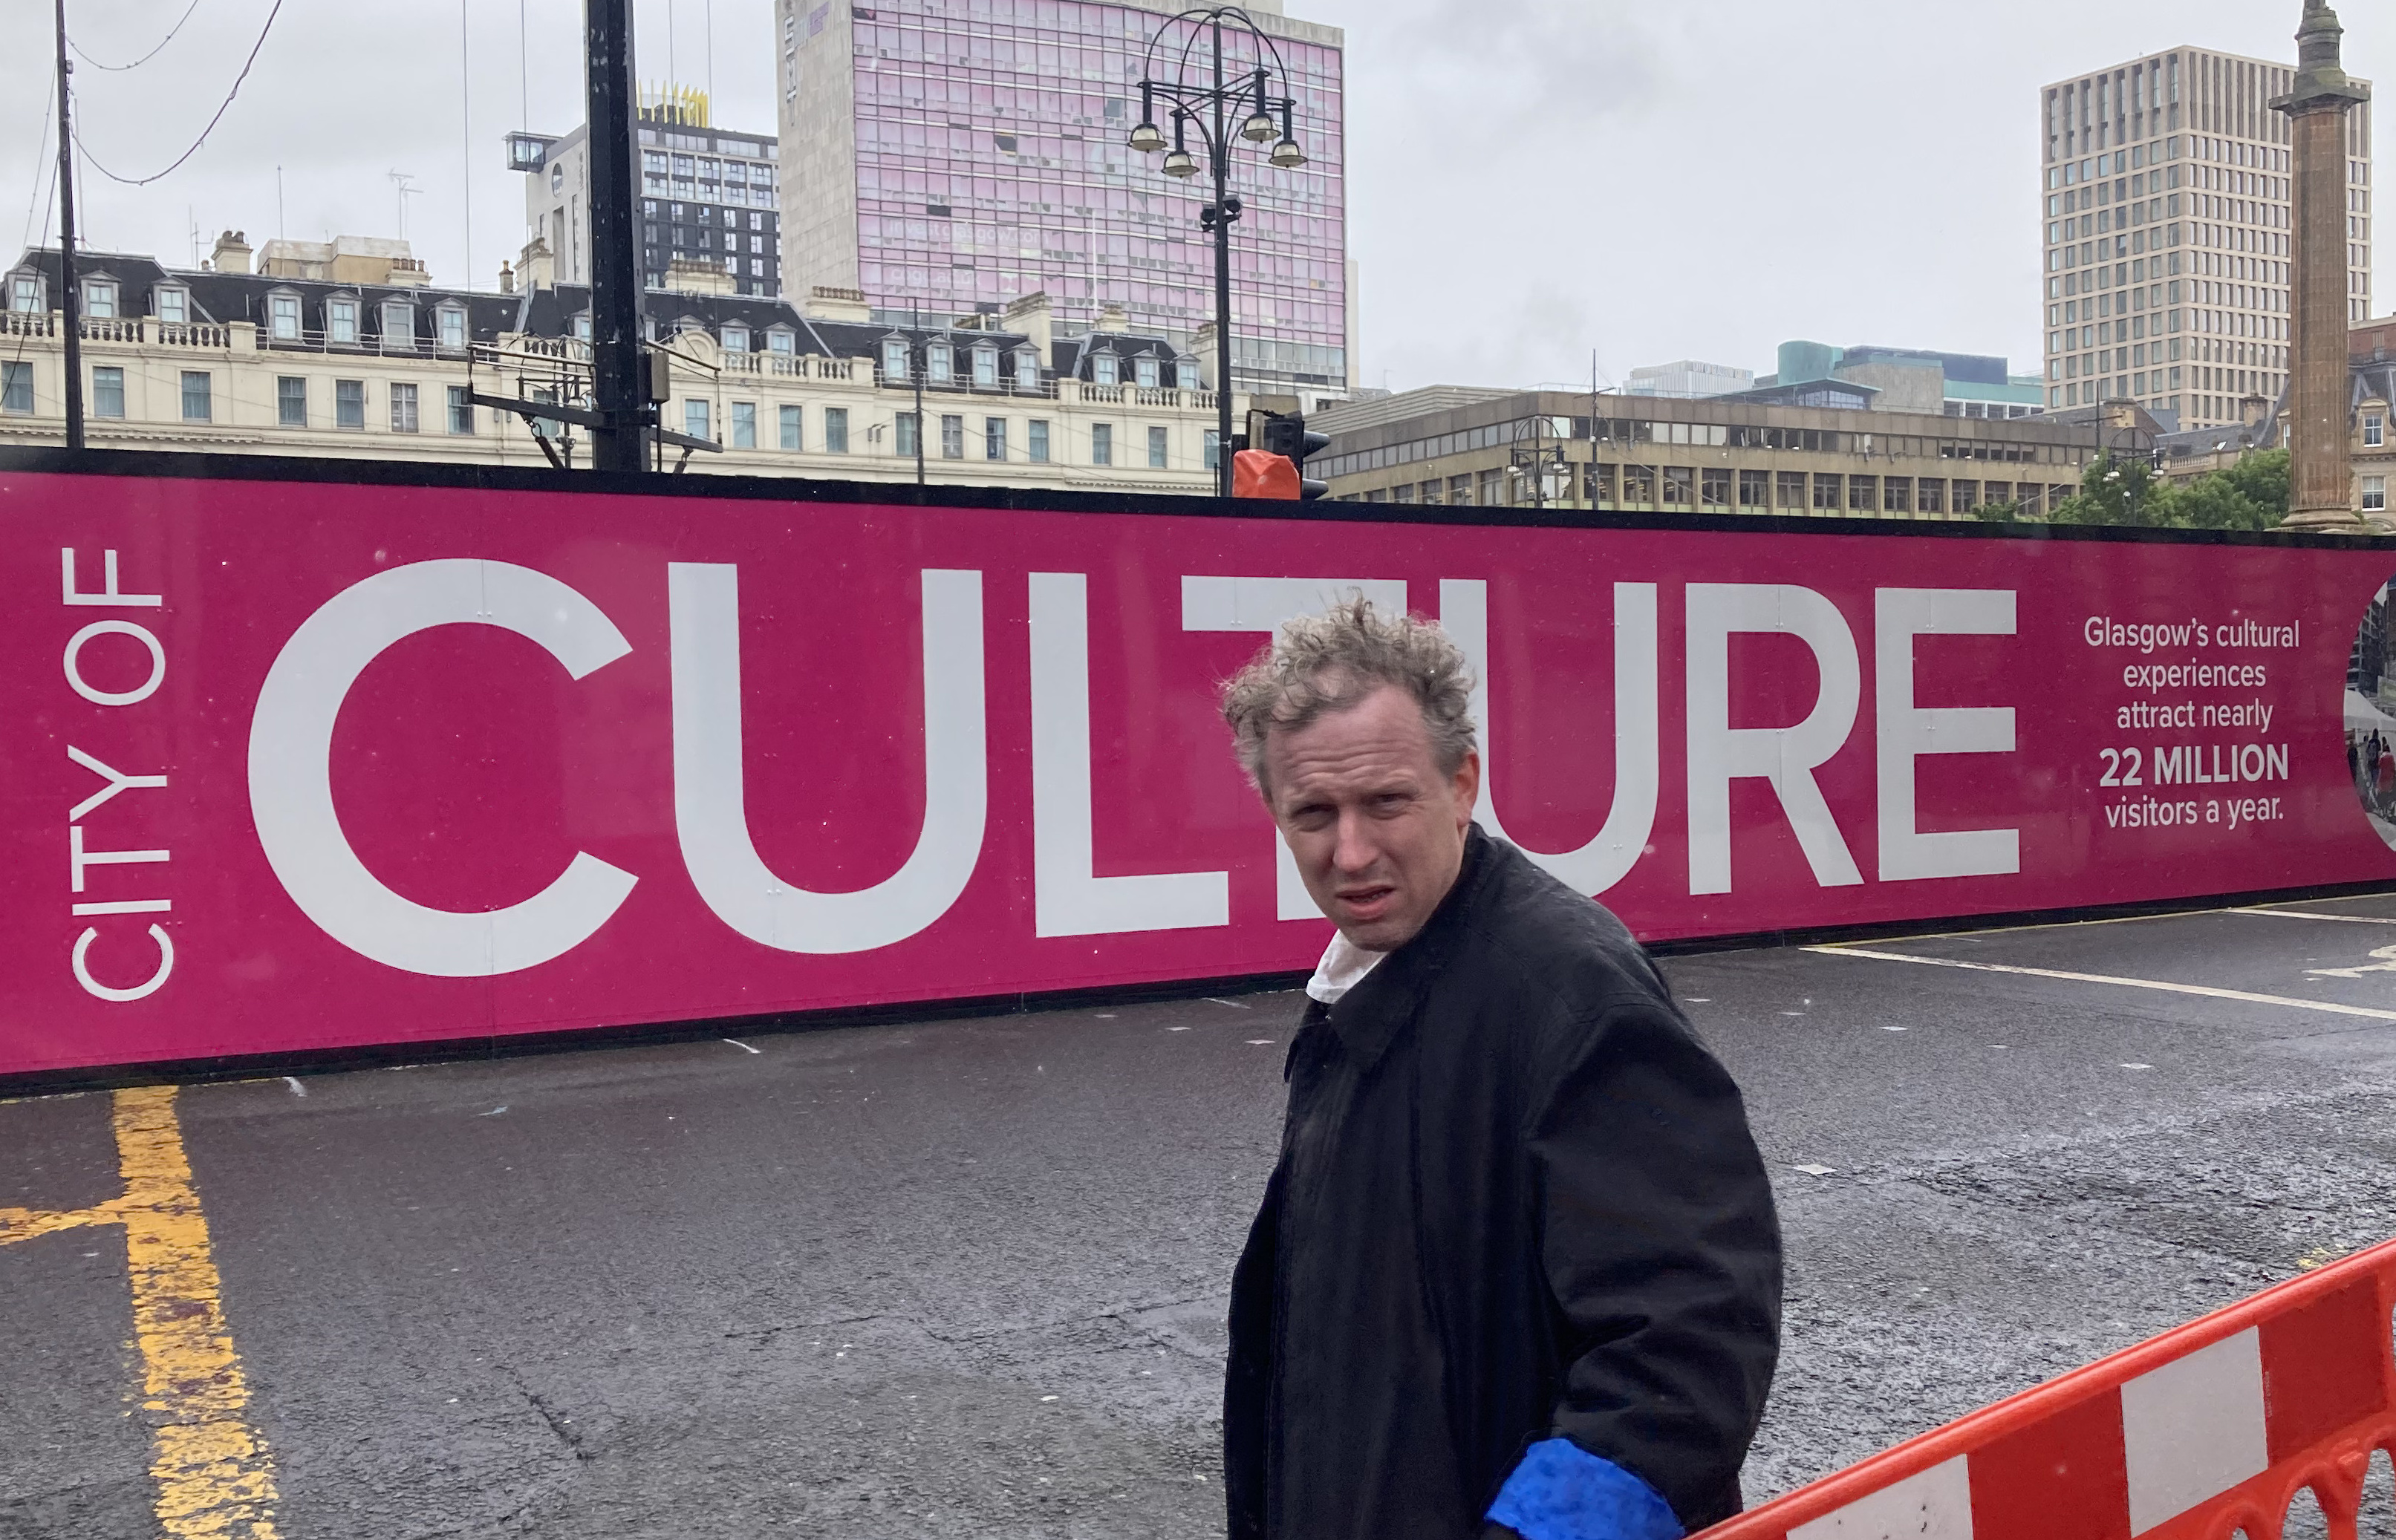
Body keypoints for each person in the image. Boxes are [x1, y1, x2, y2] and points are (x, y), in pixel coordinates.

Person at [1218, 598, 1783, 1540]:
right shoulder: (1373, 975)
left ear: (1462, 783)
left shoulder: (1570, 993)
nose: (1350, 852)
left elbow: (1686, 1347)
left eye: (1386, 801)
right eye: (1314, 812)